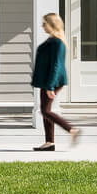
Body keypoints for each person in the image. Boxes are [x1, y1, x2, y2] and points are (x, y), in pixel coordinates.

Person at [31, 12, 81, 151]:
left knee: (46, 111)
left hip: (52, 81)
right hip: (47, 80)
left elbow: (56, 65)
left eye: (44, 23)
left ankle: (71, 129)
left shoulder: (58, 43)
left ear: (52, 24)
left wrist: (50, 86)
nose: (42, 26)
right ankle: (49, 142)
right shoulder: (52, 40)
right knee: (45, 110)